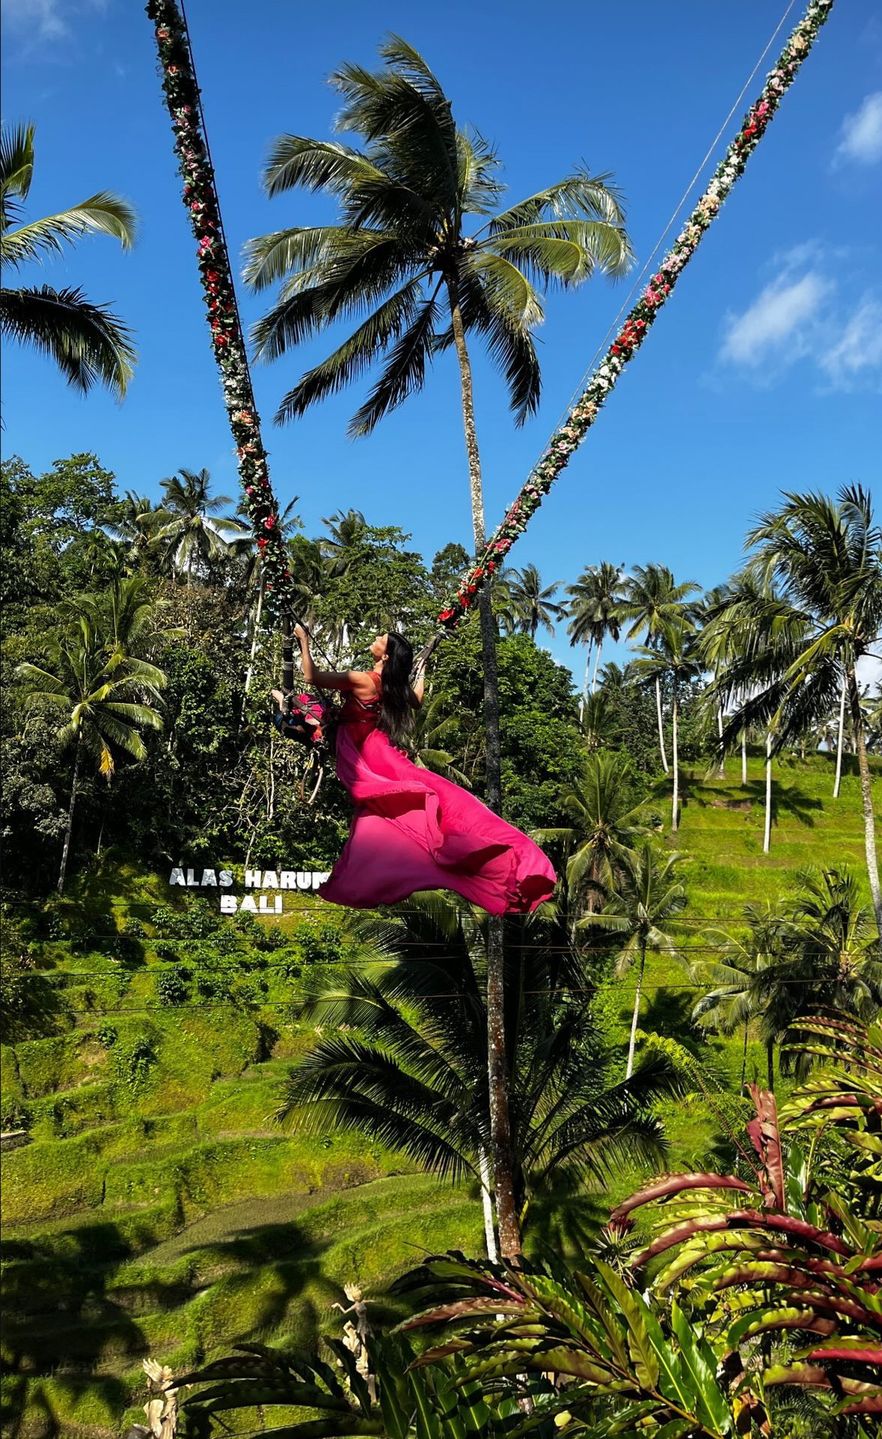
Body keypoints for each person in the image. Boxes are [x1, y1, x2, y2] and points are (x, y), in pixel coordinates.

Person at [294, 625, 556, 914]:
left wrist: (304, 641)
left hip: (367, 750)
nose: (376, 639)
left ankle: (502, 858)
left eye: (381, 639)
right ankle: (504, 853)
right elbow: (417, 700)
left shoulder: (364, 680)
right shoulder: (391, 683)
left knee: (424, 792)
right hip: (377, 746)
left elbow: (310, 676)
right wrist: (422, 670)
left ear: (386, 654)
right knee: (429, 789)